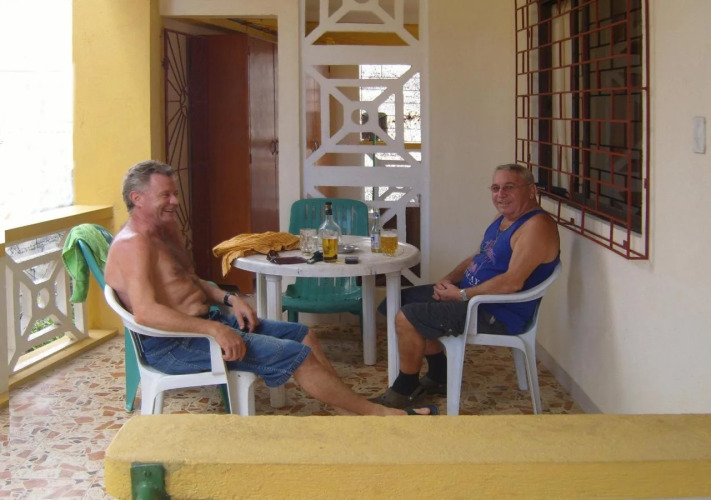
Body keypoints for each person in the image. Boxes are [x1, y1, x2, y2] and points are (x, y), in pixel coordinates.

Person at [105, 160, 437, 416]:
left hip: (204, 325)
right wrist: (215, 330)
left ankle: (348, 410)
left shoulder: (166, 231)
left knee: (304, 335)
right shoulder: (134, 245)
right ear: (137, 198)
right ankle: (380, 414)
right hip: (174, 344)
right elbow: (146, 313)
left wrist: (230, 298)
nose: (175, 201)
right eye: (165, 195)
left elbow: (189, 281)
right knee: (297, 355)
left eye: (174, 193)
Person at [371, 163, 560, 409]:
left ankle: (406, 389)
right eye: (495, 188)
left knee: (409, 316)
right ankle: (439, 374)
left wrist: (461, 294)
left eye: (509, 187)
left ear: (531, 190)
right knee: (396, 302)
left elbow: (513, 282)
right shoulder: (503, 219)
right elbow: (479, 256)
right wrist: (448, 280)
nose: (500, 195)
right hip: (470, 297)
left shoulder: (536, 227)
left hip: (494, 311)